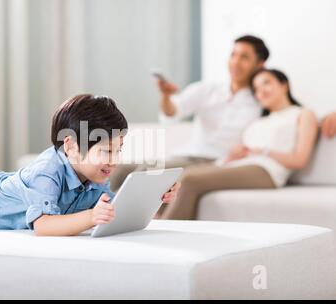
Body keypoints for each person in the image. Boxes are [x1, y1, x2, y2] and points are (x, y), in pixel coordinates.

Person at [0, 94, 179, 236]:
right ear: (70, 146)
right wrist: (91, 217)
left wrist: (157, 199)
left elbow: (118, 211)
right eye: (106, 150)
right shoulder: (47, 171)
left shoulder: (93, 177)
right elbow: (44, 227)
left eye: (119, 150)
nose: (115, 160)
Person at [110, 35, 270, 191]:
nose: (235, 62)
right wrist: (166, 96)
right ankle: (97, 214)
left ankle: (121, 215)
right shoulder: (207, 90)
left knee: (145, 174)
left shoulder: (262, 102)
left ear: (260, 64)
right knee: (119, 170)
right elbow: (172, 113)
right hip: (188, 156)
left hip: (219, 162)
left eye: (244, 57)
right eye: (233, 55)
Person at [157, 69, 318, 220]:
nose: (260, 91)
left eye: (266, 83)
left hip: (267, 171)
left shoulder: (303, 114)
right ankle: (153, 225)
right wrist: (229, 158)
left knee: (190, 179)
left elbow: (299, 160)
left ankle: (165, 236)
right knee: (178, 176)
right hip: (243, 164)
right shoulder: (259, 121)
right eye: (256, 88)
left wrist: (263, 151)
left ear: (284, 85)